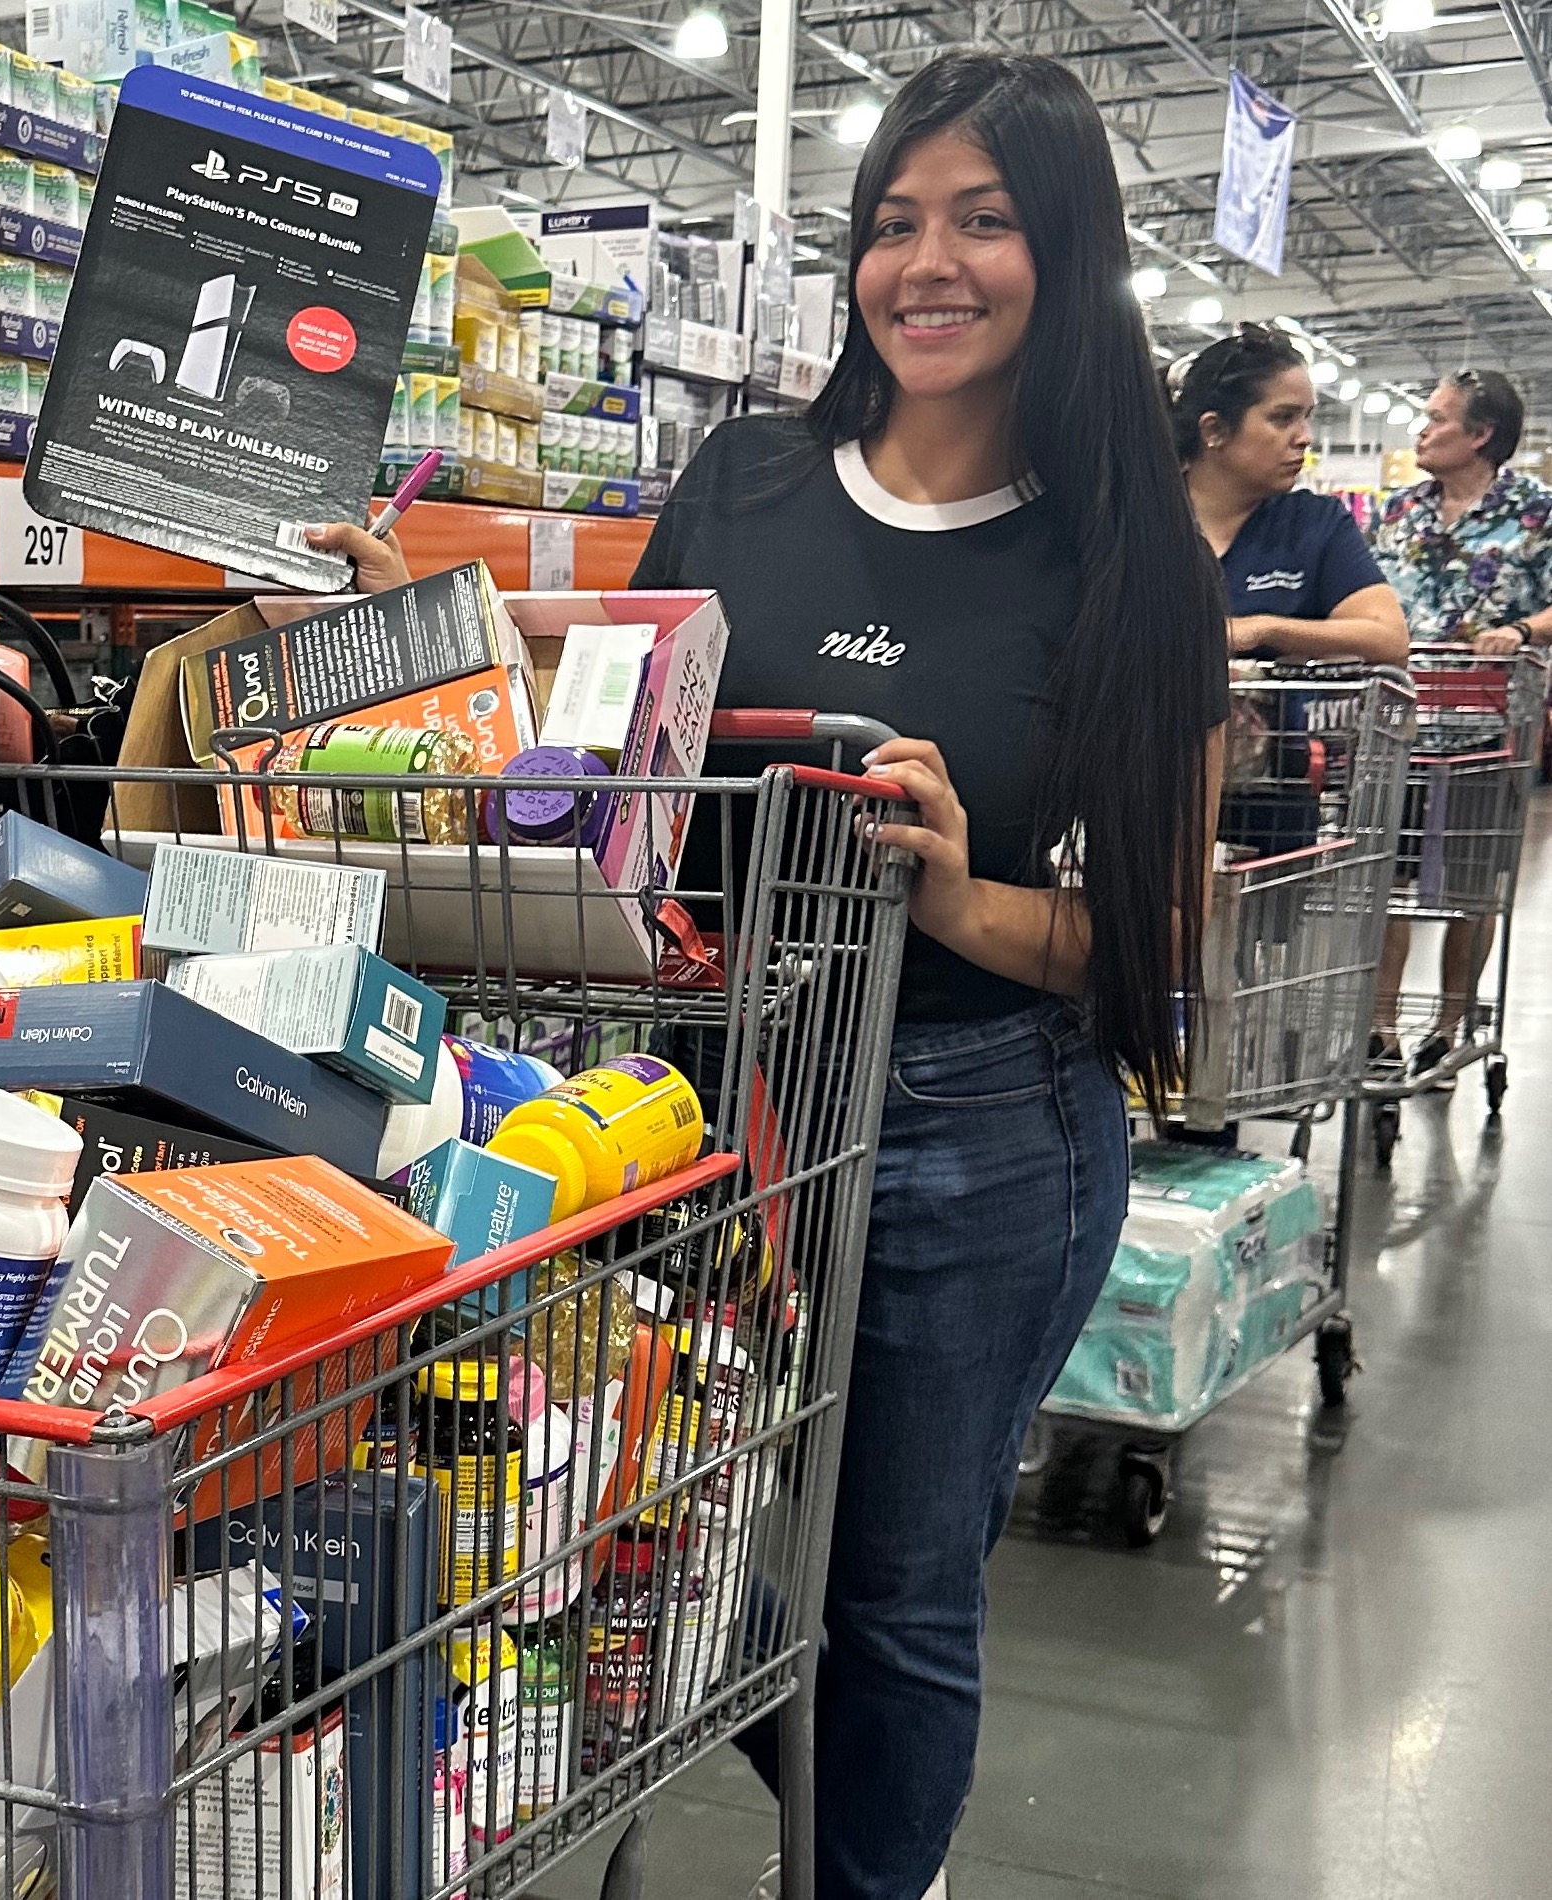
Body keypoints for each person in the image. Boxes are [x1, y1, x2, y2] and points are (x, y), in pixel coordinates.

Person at [319, 51, 1227, 1899]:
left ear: (1063, 252)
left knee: (889, 1592)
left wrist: (962, 896)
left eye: (982, 221)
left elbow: (1154, 943)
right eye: (894, 222)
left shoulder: (1129, 564)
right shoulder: (742, 483)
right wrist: (420, 662)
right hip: (700, 1105)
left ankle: (867, 1874)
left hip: (971, 1130)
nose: (927, 264)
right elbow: (613, 769)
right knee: (655, 1529)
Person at [1369, 368, 1552, 1068]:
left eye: (1437, 419)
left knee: (1471, 889)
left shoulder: (1536, 512)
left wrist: (1524, 631)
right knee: (1385, 882)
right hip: (1397, 727)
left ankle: (1449, 1029)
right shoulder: (1397, 512)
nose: (1421, 431)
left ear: (1480, 435)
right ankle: (1380, 1030)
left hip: (1489, 732)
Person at [1170, 325, 1406, 665]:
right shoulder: (1141, 522)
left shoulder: (1316, 523)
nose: (1305, 438)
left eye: (1306, 417)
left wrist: (1264, 629)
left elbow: (1389, 640)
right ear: (1214, 430)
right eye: (1283, 418)